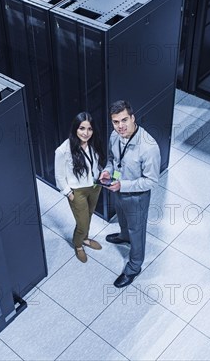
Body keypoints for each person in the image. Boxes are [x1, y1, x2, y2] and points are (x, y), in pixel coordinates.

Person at [101, 100, 160, 287]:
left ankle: (134, 267)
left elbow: (151, 181)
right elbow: (113, 159)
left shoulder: (149, 147)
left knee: (137, 230)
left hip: (137, 196)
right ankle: (124, 236)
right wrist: (108, 171)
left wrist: (122, 185)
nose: (121, 126)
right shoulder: (114, 136)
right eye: (116, 122)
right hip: (118, 188)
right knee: (122, 218)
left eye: (124, 120)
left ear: (133, 118)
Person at [55, 112, 104, 263]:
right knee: (82, 223)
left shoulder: (94, 142)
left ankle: (86, 239)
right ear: (75, 129)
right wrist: (69, 193)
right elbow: (59, 176)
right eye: (82, 128)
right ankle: (78, 245)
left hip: (94, 187)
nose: (86, 133)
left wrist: (101, 175)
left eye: (89, 129)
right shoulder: (63, 150)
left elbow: (97, 162)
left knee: (88, 216)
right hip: (78, 192)